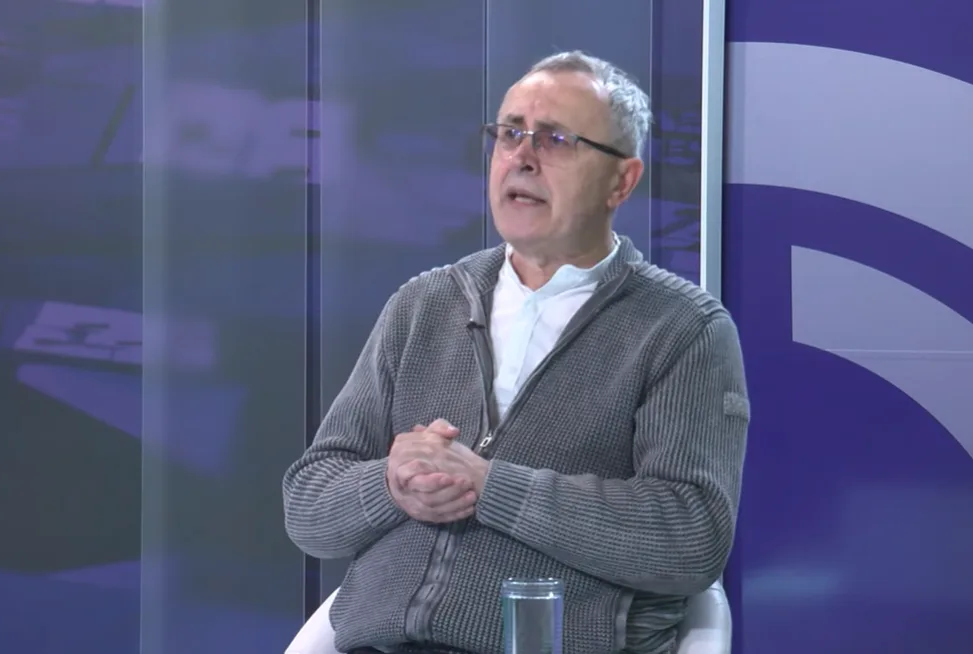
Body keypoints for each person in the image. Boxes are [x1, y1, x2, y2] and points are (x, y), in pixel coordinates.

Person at [282, 50, 749, 654]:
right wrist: (392, 486)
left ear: (622, 182)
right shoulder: (423, 304)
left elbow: (690, 536)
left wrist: (492, 486)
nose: (522, 157)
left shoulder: (682, 328)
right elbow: (310, 506)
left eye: (556, 139)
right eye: (509, 133)